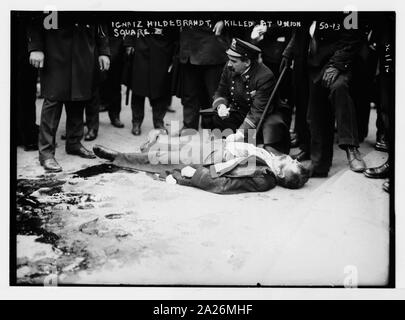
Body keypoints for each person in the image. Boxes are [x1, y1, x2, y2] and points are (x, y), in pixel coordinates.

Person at [92, 129, 309, 193]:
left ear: (281, 175)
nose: (293, 158)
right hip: (218, 145)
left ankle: (118, 157)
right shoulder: (272, 157)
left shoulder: (265, 178)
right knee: (173, 143)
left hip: (211, 158)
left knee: (161, 159)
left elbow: (225, 184)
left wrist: (193, 175)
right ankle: (153, 142)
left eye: (294, 164)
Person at [28, 13, 110, 172]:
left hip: (84, 46)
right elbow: (35, 15)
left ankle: (73, 143)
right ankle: (46, 153)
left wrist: (104, 50)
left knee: (79, 97)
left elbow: (101, 19)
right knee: (53, 99)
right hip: (55, 47)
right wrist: (36, 47)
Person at [305, 14, 367, 177]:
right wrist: (289, 53)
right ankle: (319, 164)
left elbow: (353, 38)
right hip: (314, 63)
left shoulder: (349, 9)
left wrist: (336, 65)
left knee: (339, 89)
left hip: (341, 61)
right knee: (316, 113)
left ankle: (351, 148)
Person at [210, 38, 291, 155]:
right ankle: (228, 153)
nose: (229, 64)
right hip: (242, 111)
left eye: (234, 61)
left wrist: (240, 133)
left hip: (265, 115)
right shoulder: (229, 68)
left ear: (247, 62)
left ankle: (270, 156)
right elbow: (221, 92)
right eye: (229, 60)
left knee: (272, 127)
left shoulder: (264, 76)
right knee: (217, 118)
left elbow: (257, 111)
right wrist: (221, 106)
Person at [124, 27, 176, 136]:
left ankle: (158, 122)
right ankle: (136, 122)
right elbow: (132, 18)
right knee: (138, 88)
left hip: (163, 48)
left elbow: (174, 27)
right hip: (141, 46)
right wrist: (129, 43)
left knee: (160, 88)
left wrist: (174, 53)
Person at [178, 22, 229, 131]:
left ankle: (217, 127)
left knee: (214, 93)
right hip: (189, 47)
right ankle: (189, 126)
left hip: (211, 45)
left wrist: (224, 21)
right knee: (189, 92)